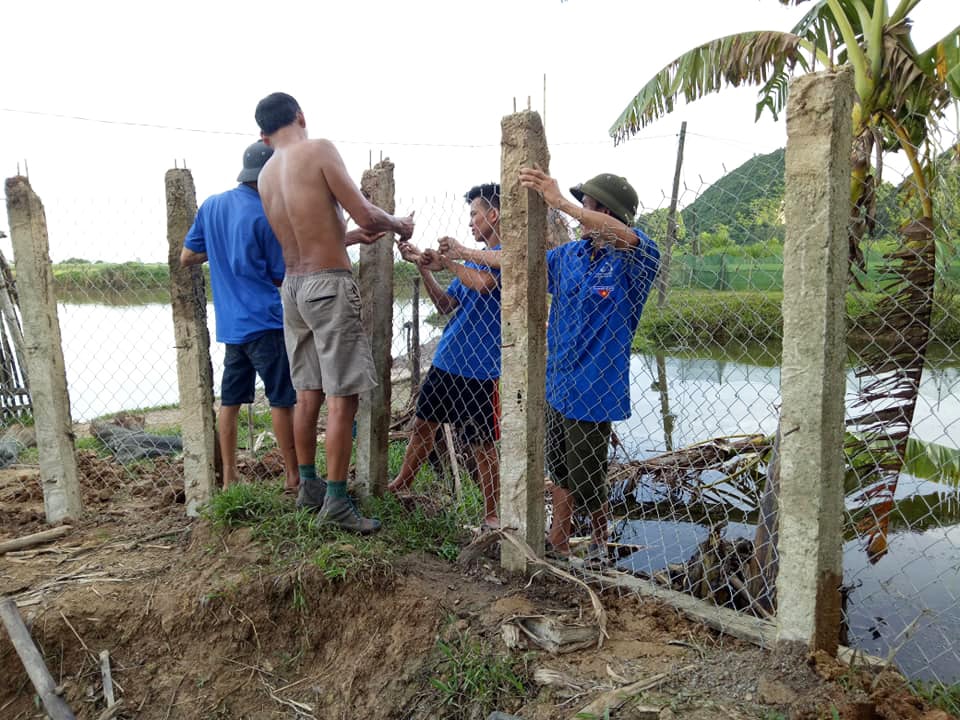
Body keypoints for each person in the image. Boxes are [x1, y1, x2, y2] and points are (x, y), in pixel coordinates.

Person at [254, 92, 415, 534]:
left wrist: (350, 237)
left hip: (294, 288)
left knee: (308, 392)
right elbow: (362, 211)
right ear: (301, 116)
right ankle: (338, 502)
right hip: (328, 285)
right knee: (343, 396)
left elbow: (305, 232)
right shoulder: (318, 149)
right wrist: (399, 225)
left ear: (264, 136)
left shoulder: (266, 175)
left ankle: (309, 486)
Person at [519, 168, 660, 559]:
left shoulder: (636, 258)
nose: (584, 212)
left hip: (595, 388)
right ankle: (559, 540)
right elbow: (517, 262)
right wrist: (461, 255)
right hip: (559, 382)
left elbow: (626, 237)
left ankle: (601, 537)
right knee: (561, 469)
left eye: (594, 207)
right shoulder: (570, 256)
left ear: (614, 215)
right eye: (583, 204)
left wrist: (560, 203)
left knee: (588, 476)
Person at [181, 140, 299, 492]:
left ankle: (230, 473)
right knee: (281, 398)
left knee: (229, 401)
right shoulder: (268, 215)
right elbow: (281, 275)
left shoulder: (213, 206)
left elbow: (188, 256)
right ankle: (294, 476)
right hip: (265, 322)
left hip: (231, 327)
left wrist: (219, 254)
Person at [388, 184, 503, 529]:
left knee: (482, 444)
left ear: (493, 215)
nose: (470, 222)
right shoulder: (471, 257)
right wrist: (423, 266)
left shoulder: (507, 255)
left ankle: (492, 514)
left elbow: (484, 284)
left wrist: (449, 260)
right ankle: (400, 484)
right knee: (423, 426)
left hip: (481, 370)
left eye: (474, 214)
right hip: (448, 360)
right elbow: (445, 305)